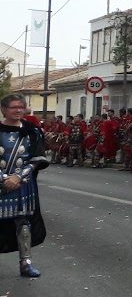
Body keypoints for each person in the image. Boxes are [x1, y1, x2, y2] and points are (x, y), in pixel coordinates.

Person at [0, 94, 49, 278]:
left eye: (21, 107)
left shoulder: (32, 131)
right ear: (4, 109)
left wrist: (18, 177)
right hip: (1, 183)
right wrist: (4, 178)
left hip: (23, 185)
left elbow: (38, 159)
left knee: (23, 223)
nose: (18, 110)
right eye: (14, 107)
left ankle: (26, 263)